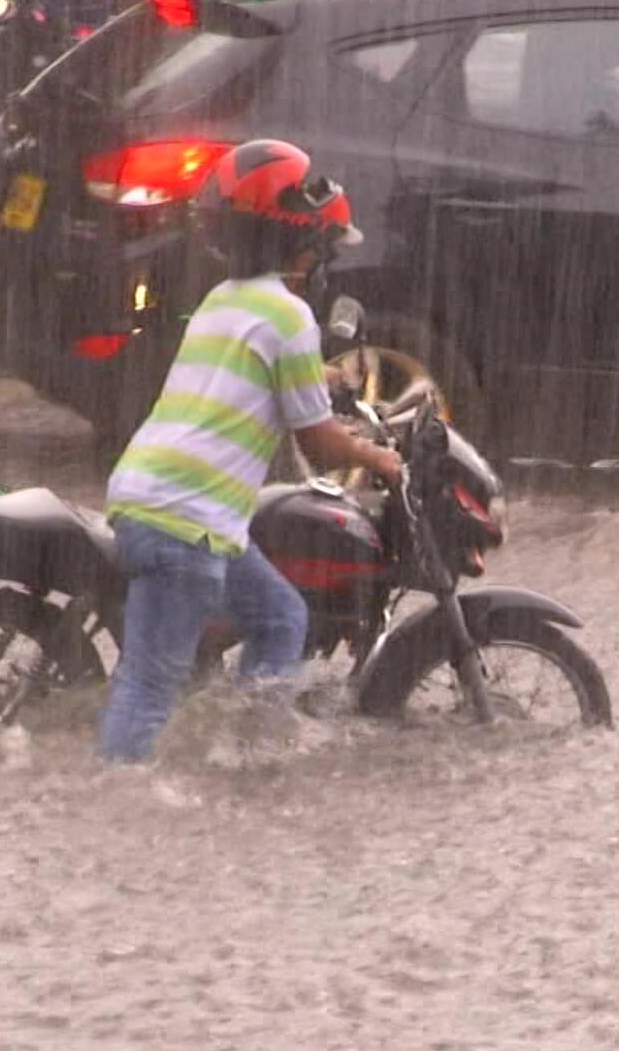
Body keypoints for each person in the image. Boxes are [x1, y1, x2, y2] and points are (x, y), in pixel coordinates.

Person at [97, 138, 404, 763]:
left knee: (280, 620)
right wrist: (380, 460)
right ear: (301, 248)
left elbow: (258, 381)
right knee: (149, 688)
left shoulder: (223, 301)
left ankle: (249, 757)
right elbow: (318, 446)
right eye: (322, 250)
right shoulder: (290, 316)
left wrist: (329, 387)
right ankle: (113, 805)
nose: (323, 265)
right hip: (185, 522)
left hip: (164, 505)